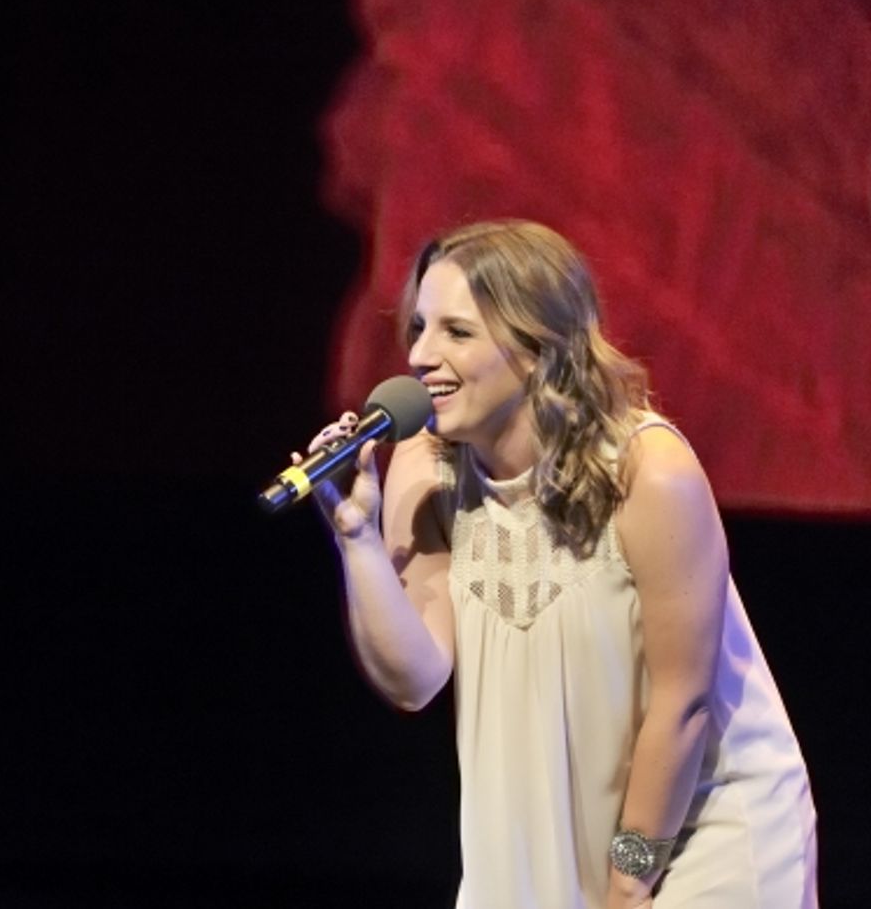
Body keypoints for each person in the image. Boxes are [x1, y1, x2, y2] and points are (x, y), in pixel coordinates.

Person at [303, 220, 816, 907]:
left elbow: (683, 702)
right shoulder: (425, 467)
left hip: (696, 834)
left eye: (456, 332)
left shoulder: (647, 472)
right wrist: (357, 537)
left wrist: (630, 879)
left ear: (534, 344)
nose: (421, 356)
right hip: (545, 840)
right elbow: (414, 678)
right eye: (419, 327)